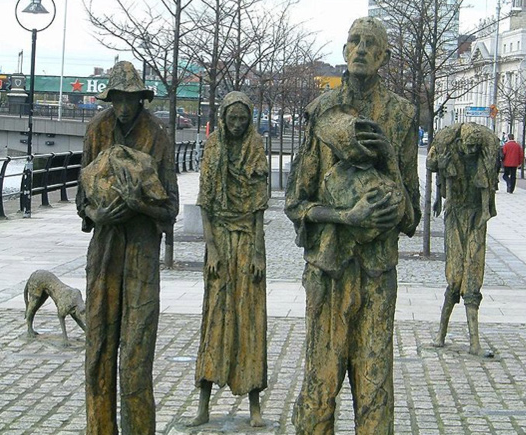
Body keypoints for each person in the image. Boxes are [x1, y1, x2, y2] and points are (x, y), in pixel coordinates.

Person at [285, 17, 420, 434]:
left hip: (378, 272)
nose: (360, 49)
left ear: (384, 56)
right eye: (354, 42)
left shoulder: (401, 115)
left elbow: (411, 217)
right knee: (320, 383)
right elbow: (295, 203)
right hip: (327, 269)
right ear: (345, 51)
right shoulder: (321, 111)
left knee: (374, 385)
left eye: (370, 44)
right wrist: (346, 217)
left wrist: (390, 161)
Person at [76, 61, 179, 435]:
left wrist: (138, 205)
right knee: (98, 351)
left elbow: (170, 207)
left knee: (136, 357)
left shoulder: (157, 135)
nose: (123, 107)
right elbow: (80, 199)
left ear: (140, 99)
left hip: (141, 254)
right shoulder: (96, 130)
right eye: (117, 99)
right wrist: (98, 214)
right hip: (104, 253)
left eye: (130, 99)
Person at [190, 91, 268, 428]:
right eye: (232, 119)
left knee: (250, 321)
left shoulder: (255, 147)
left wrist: (259, 253)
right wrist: (214, 249)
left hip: (248, 240)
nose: (237, 126)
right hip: (220, 240)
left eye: (243, 119)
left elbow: (259, 209)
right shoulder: (214, 147)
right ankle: (203, 404)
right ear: (222, 118)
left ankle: (254, 405)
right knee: (215, 319)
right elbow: (205, 202)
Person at [427, 123, 499, 357]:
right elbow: (431, 165)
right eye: (468, 146)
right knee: (454, 276)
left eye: (476, 147)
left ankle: (474, 342)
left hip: (476, 217)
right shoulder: (450, 152)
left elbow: (487, 190)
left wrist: (486, 213)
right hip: (456, 215)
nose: (471, 150)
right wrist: (439, 196)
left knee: (473, 274)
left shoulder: (483, 160)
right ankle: (441, 333)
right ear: (460, 144)